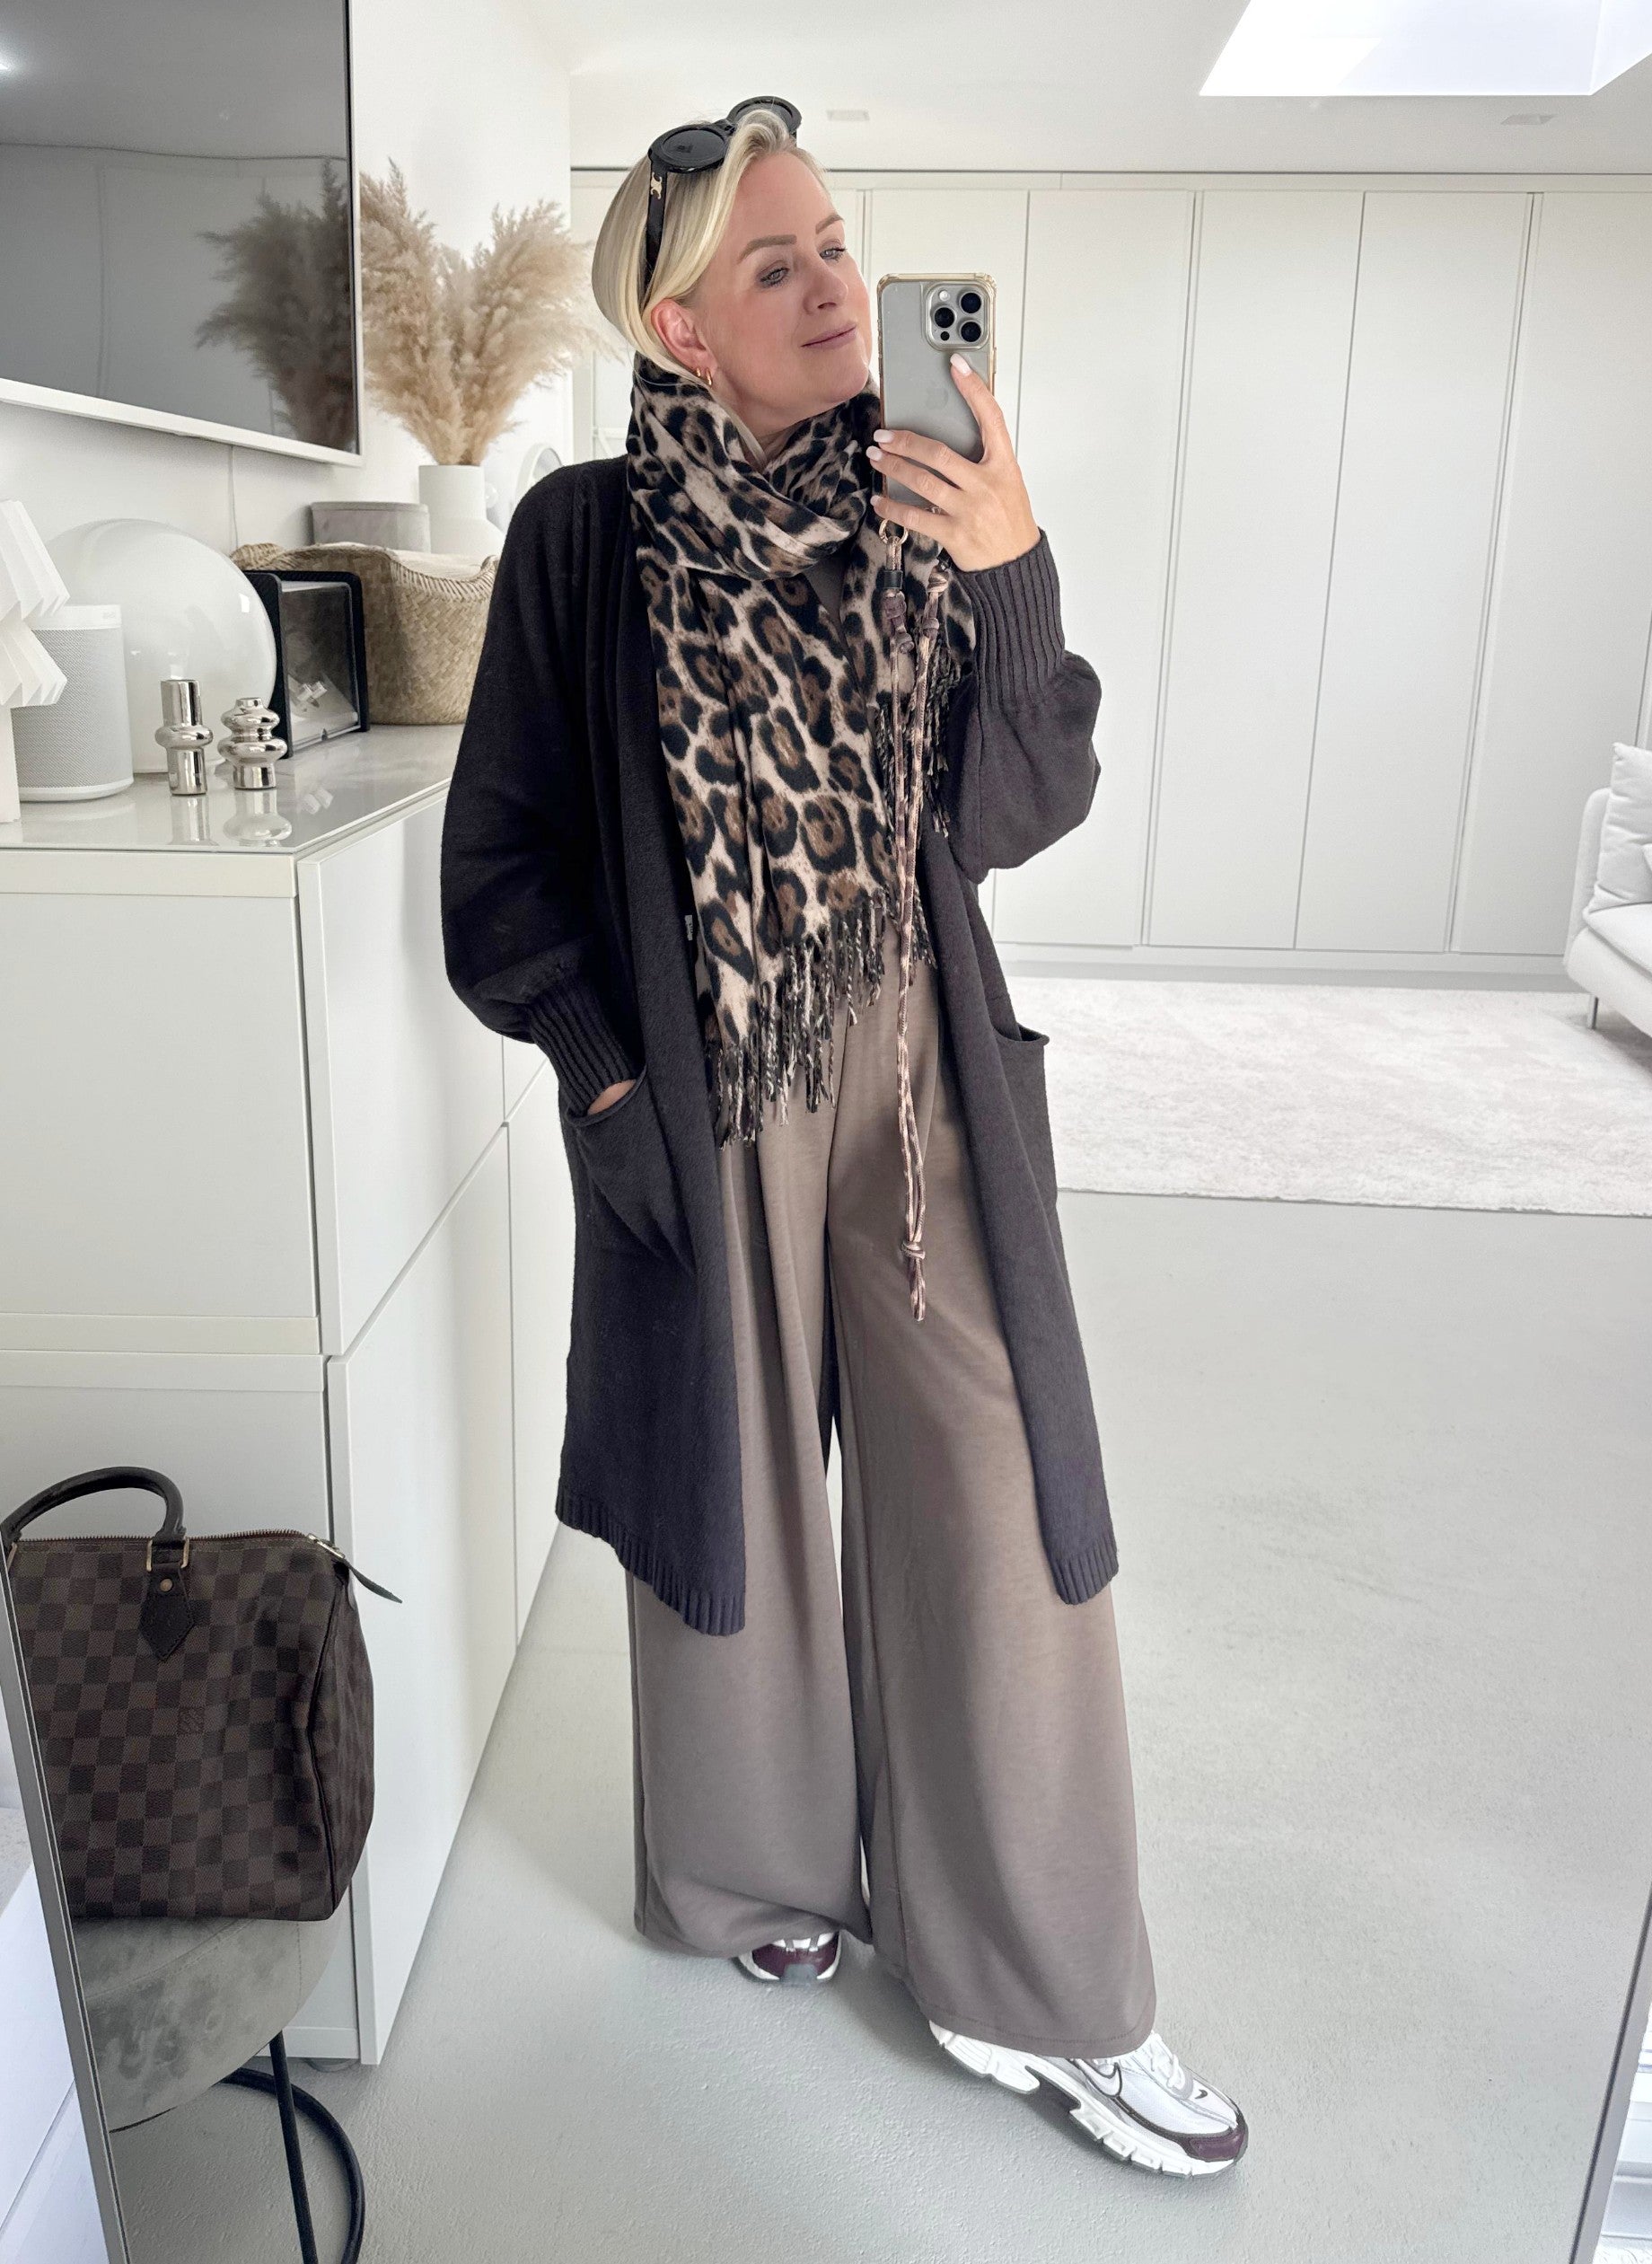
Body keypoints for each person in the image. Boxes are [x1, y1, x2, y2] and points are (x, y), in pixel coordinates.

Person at [439, 97, 1246, 2177]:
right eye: (773, 263)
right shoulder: (583, 540)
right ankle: (746, 1875)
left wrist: (1010, 567)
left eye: (834, 249)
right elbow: (502, 864)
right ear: (679, 327)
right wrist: (602, 1077)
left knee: (997, 1485)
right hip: (699, 1085)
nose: (827, 288)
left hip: (912, 1065)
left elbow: (1020, 808)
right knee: (727, 1494)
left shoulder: (924, 505)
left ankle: (1038, 1984)